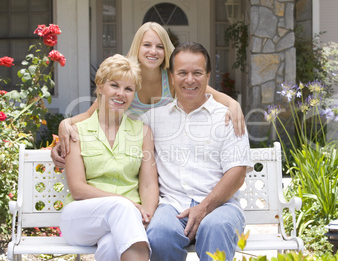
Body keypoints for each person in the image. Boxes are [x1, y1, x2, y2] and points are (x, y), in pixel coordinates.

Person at [51, 22, 245, 167]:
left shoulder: (172, 79)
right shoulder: (126, 80)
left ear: (165, 51)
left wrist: (235, 106)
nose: (153, 51)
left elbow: (216, 96)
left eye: (160, 46)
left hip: (168, 157)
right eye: (147, 45)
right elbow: (89, 115)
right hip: (135, 156)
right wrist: (64, 124)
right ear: (138, 47)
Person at [140, 42, 253, 261]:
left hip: (221, 206)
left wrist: (203, 208)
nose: (189, 79)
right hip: (172, 205)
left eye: (197, 73)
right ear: (172, 77)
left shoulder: (228, 118)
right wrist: (68, 134)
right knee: (159, 233)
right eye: (182, 73)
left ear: (208, 76)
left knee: (216, 226)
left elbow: (237, 173)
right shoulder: (153, 119)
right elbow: (112, 128)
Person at [59, 54, 159, 261]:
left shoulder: (143, 132)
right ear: (100, 86)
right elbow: (77, 188)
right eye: (115, 85)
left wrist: (146, 216)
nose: (121, 94)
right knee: (121, 208)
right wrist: (125, 203)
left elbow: (148, 185)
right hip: (81, 218)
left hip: (127, 220)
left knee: (113, 247)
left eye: (129, 89)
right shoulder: (77, 131)